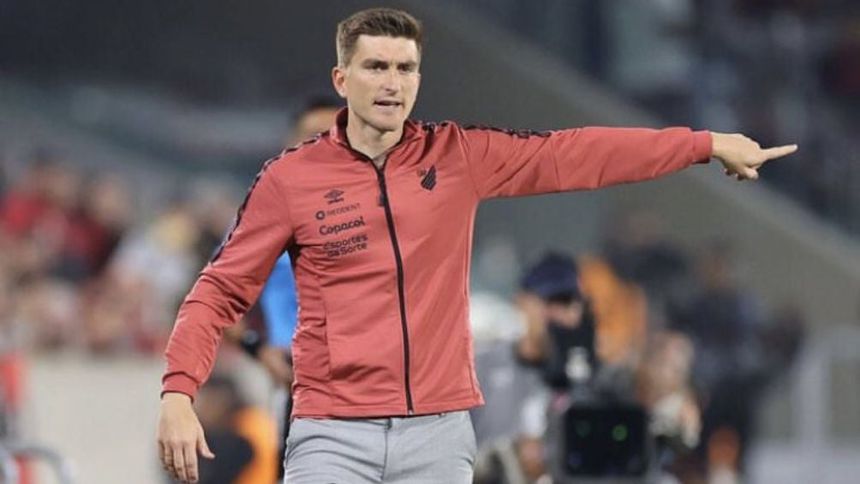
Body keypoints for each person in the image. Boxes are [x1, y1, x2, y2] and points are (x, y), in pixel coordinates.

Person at [156, 7, 798, 484]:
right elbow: (217, 291)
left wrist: (702, 144)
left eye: (406, 68)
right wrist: (179, 395)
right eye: (376, 66)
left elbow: (575, 154)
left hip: (437, 436)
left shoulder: (456, 156)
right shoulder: (290, 180)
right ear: (342, 78)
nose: (393, 82)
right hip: (332, 433)